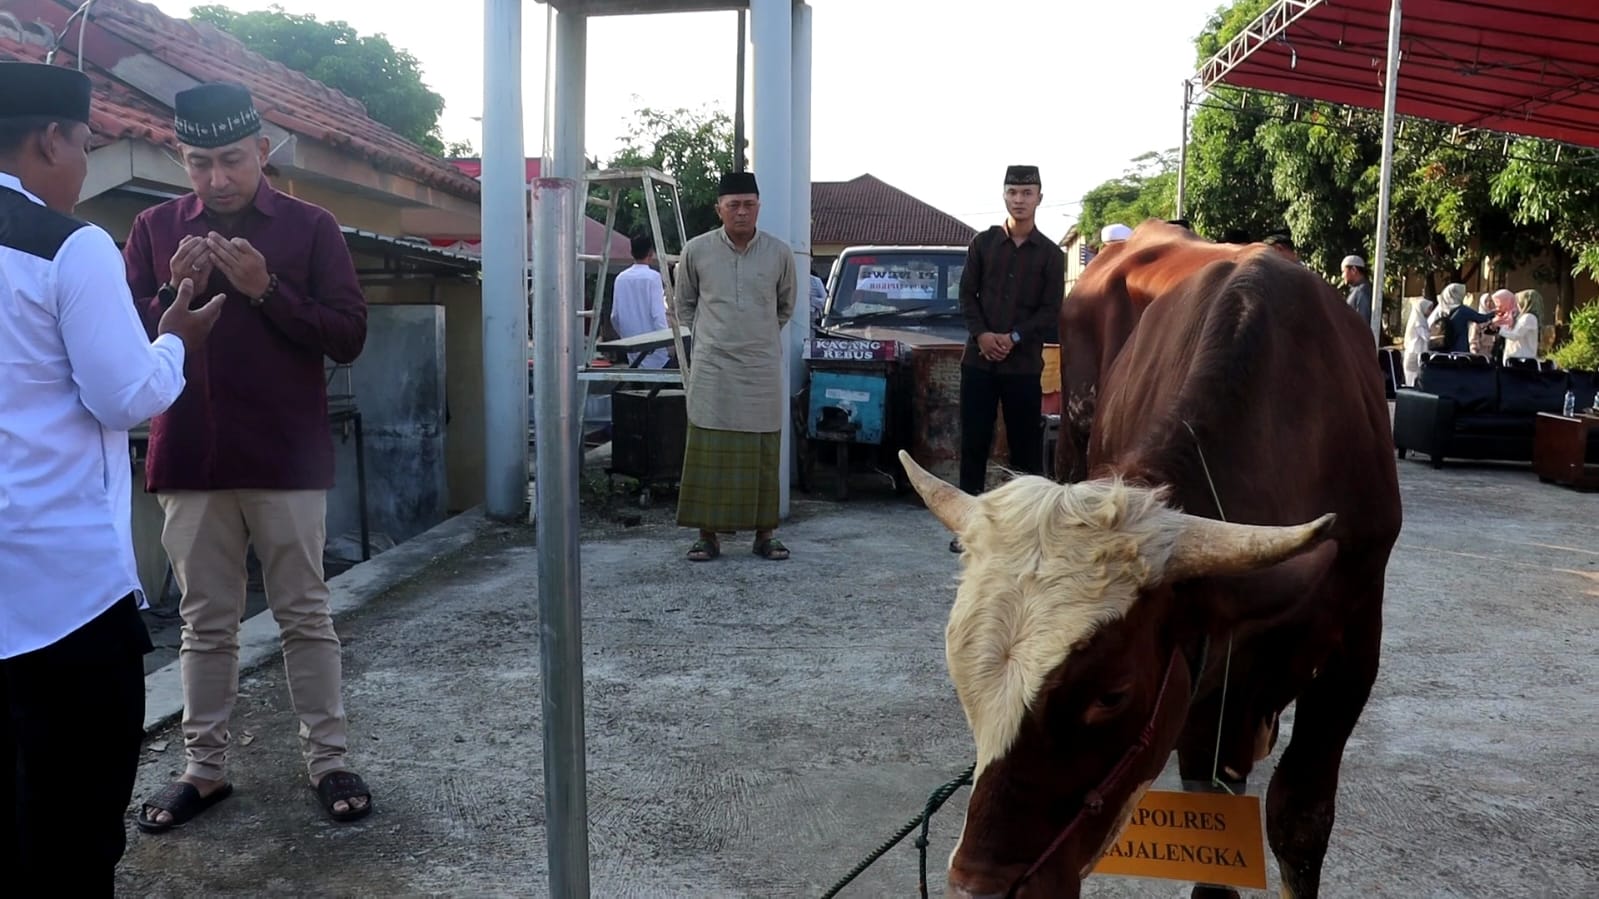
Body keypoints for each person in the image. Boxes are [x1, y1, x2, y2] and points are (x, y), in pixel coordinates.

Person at [122, 82, 374, 830]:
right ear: (181, 159)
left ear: (262, 151)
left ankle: (328, 760)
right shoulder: (154, 229)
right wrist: (173, 292)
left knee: (305, 614)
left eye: (231, 159)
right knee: (205, 623)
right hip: (189, 456)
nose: (217, 178)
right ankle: (204, 770)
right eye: (199, 163)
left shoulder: (310, 227)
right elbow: (120, 341)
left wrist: (267, 291)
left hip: (285, 459)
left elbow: (349, 335)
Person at [0, 61, 225, 892]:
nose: (84, 165)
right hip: (61, 593)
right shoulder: (68, 243)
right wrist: (174, 340)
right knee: (71, 824)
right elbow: (123, 394)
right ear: (50, 139)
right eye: (86, 146)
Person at [674, 171, 797, 562]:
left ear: (759, 207)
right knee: (708, 448)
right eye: (733, 205)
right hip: (713, 367)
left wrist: (756, 336)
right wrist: (713, 337)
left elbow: (785, 306)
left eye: (749, 204)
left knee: (763, 450)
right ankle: (706, 536)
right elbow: (684, 304)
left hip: (760, 368)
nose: (741, 212)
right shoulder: (696, 251)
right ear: (719, 209)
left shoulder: (779, 253)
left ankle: (765, 535)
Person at [953, 164, 1065, 553]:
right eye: (1013, 192)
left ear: (1039, 198)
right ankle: (967, 529)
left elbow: (1050, 310)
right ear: (1004, 195)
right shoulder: (982, 244)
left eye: (1027, 193)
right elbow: (966, 296)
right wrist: (983, 336)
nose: (1020, 200)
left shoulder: (1051, 255)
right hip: (979, 362)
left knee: (1024, 449)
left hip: (1023, 366)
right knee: (974, 443)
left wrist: (1014, 337)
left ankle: (1024, 532)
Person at [610, 233, 670, 369]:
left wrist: (626, 338)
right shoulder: (653, 278)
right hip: (655, 349)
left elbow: (615, 317)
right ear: (651, 253)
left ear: (632, 253)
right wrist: (667, 343)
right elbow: (658, 316)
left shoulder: (620, 278)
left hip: (631, 348)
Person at [1401, 296, 1437, 386]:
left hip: (1417, 354)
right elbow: (1426, 336)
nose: (1430, 312)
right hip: (1414, 355)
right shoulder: (1418, 322)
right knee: (1412, 382)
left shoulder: (1422, 321)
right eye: (1429, 309)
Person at [1501, 289, 1543, 364]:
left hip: (1523, 361)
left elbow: (1515, 335)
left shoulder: (1529, 317)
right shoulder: (1521, 317)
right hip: (1514, 359)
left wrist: (1498, 329)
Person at [1341, 254, 1373, 324]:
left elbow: (1363, 322)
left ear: (1353, 270)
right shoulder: (1356, 290)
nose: (1342, 276)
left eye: (1343, 272)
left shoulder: (1362, 291)